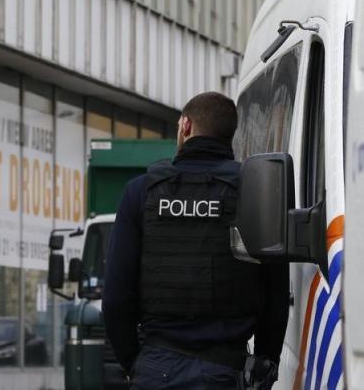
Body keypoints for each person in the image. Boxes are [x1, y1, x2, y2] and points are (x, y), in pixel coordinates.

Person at [103, 92, 289, 390]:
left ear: (185, 125)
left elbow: (115, 298)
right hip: (224, 370)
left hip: (155, 368)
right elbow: (275, 297)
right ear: (231, 133)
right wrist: (266, 364)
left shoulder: (141, 192)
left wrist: (134, 364)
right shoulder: (254, 193)